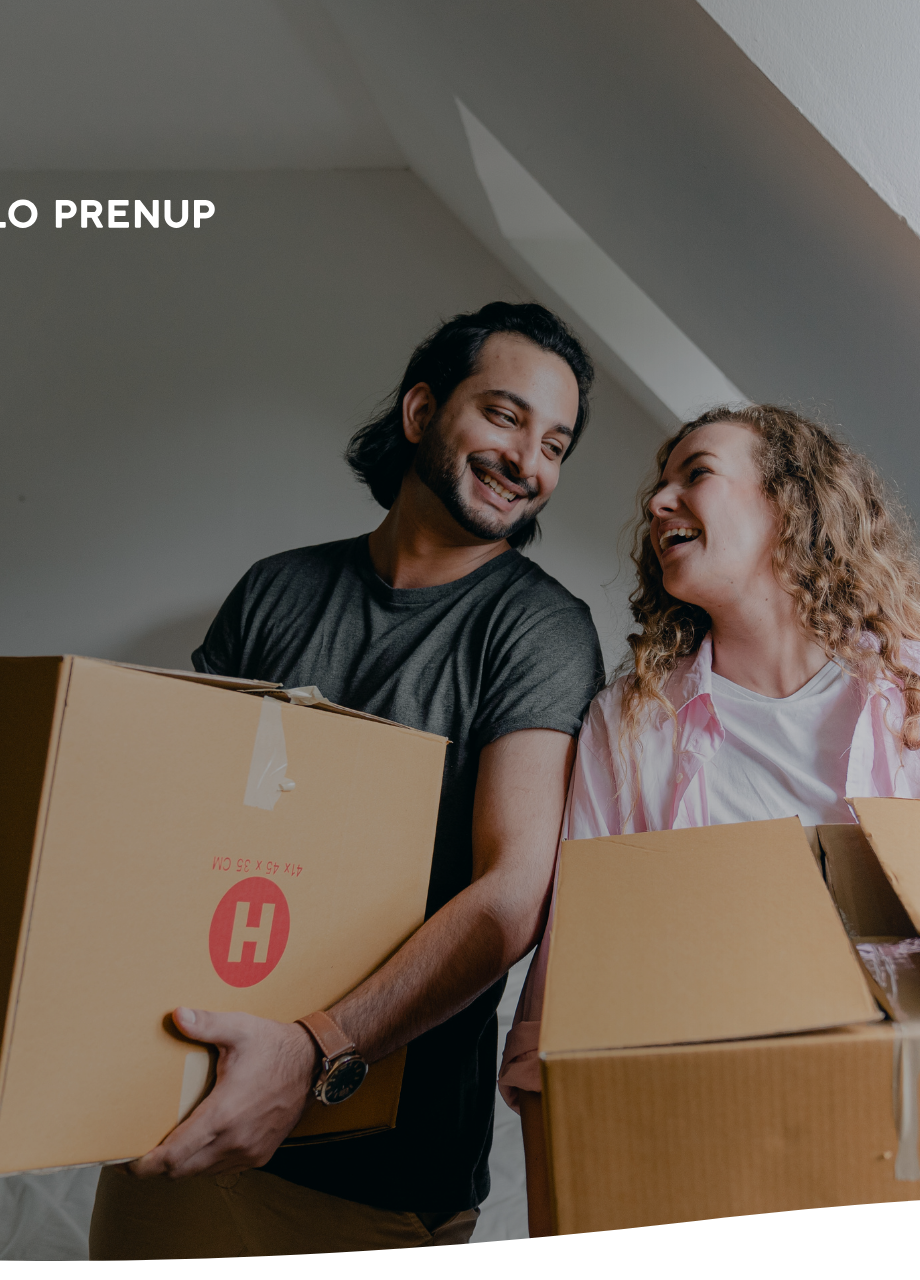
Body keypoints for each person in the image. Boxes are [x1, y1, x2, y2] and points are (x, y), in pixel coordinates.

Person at [89, 302, 606, 1257]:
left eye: (556, 443)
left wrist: (316, 1049)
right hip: (183, 1118)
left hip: (380, 1177)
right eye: (504, 415)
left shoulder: (538, 631)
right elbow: (179, 834)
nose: (529, 459)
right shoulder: (276, 590)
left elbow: (509, 895)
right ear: (420, 412)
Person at [497, 404, 920, 1233]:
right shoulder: (632, 723)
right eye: (660, 481)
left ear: (788, 502)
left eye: (696, 472)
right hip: (712, 1144)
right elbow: (578, 972)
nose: (657, 501)